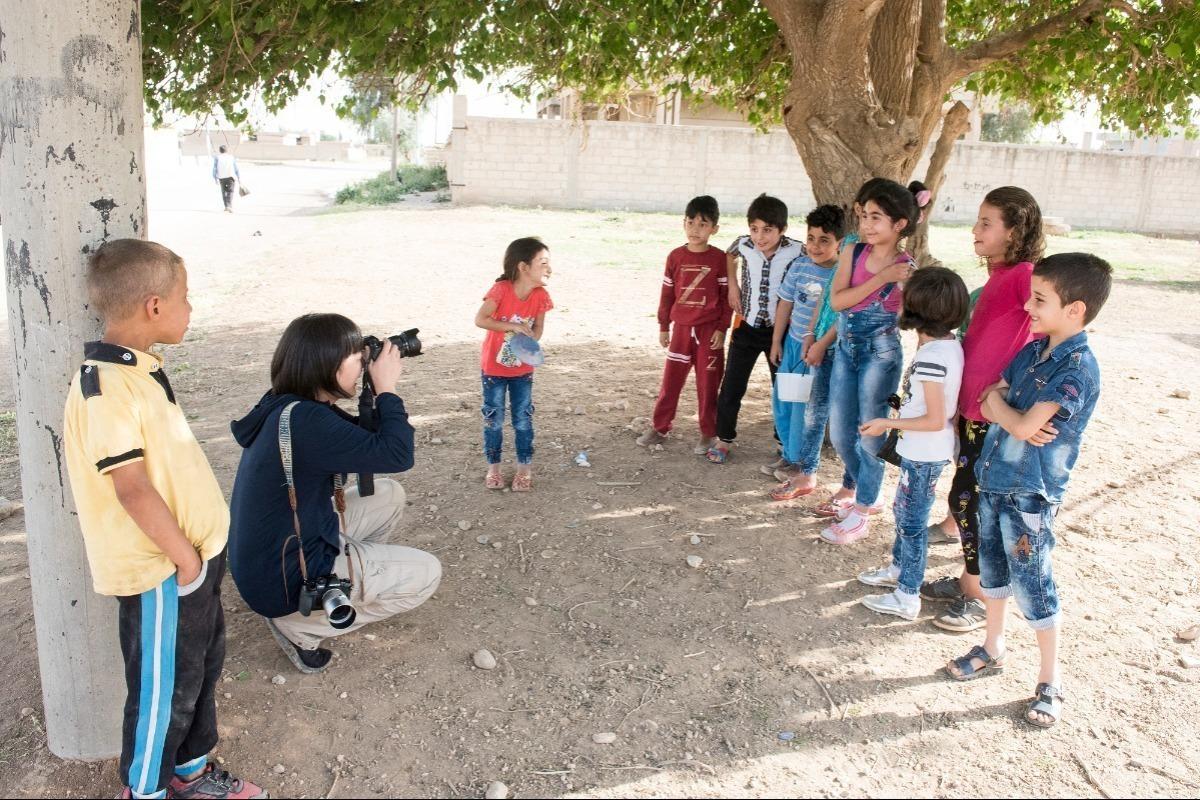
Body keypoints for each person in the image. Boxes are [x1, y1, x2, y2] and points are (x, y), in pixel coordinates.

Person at [62, 239, 263, 799]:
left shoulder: (140, 371)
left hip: (191, 562)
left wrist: (198, 560)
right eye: (185, 297)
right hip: (164, 571)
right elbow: (131, 490)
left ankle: (192, 772)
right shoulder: (102, 390)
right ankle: (144, 791)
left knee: (198, 671)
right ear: (154, 306)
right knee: (160, 691)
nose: (190, 308)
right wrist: (185, 561)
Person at [945, 252, 1112, 730]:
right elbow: (990, 398)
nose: (1029, 308)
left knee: (1034, 582)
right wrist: (1005, 409)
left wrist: (1009, 412)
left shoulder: (1077, 368)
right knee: (995, 569)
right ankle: (993, 645)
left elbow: (1019, 422)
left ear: (1075, 310)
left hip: (1030, 497)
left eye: (1040, 300)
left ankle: (1049, 679)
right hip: (995, 482)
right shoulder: (1032, 350)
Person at [228, 314, 441, 674]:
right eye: (356, 358)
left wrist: (373, 395)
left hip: (266, 559)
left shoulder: (290, 404)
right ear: (326, 364)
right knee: (427, 574)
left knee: (387, 495)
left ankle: (354, 572)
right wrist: (387, 388)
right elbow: (397, 454)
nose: (363, 365)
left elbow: (367, 442)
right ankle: (300, 622)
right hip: (282, 579)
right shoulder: (308, 422)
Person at [921, 187, 1047, 634]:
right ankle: (968, 581)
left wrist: (1010, 384)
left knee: (973, 503)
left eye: (987, 223)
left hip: (994, 416)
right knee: (965, 498)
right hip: (974, 413)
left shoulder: (1023, 275)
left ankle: (978, 595)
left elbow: (1043, 333)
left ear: (1014, 232)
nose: (976, 230)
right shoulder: (999, 275)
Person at [856, 267, 969, 619]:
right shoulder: (947, 345)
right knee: (905, 515)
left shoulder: (934, 358)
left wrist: (886, 422)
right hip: (921, 451)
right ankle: (898, 570)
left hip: (924, 452)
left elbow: (935, 418)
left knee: (912, 523)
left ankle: (907, 595)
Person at [819, 179, 926, 545]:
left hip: (881, 355)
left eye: (876, 217)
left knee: (870, 434)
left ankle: (862, 508)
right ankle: (868, 492)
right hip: (847, 351)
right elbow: (837, 302)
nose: (866, 224)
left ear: (899, 225)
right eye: (863, 215)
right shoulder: (854, 252)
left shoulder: (906, 266)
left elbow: (912, 315)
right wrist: (882, 278)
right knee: (840, 433)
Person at [706, 193, 805, 465]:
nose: (760, 237)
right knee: (732, 386)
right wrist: (733, 285)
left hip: (781, 331)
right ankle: (724, 438)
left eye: (768, 230)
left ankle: (783, 440)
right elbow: (729, 254)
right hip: (747, 327)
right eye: (755, 229)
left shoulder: (797, 250)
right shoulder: (744, 244)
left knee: (784, 387)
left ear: (782, 229)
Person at [638, 196, 731, 453]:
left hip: (709, 332)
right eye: (690, 222)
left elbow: (727, 298)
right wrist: (663, 326)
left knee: (708, 384)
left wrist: (722, 329)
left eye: (703, 224)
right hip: (680, 330)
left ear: (714, 229)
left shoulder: (720, 259)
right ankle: (659, 427)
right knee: (671, 381)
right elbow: (667, 294)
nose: (695, 229)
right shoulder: (675, 256)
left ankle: (708, 433)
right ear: (683, 223)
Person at [767, 204, 845, 500]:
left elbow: (838, 316)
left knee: (805, 408)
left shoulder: (840, 274)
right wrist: (776, 341)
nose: (815, 246)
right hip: (791, 346)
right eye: (811, 238)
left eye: (824, 240)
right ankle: (787, 453)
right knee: (784, 401)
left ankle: (800, 462)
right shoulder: (799, 266)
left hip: (816, 354)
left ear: (839, 242)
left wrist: (818, 346)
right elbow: (785, 303)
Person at [474, 237, 554, 490]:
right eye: (543, 263)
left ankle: (524, 470)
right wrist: (513, 326)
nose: (549, 269)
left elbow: (538, 330)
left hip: (522, 369)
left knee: (523, 420)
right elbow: (481, 319)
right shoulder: (501, 290)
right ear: (523, 267)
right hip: (493, 369)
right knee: (493, 419)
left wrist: (527, 340)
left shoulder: (541, 295)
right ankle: (493, 469)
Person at [212, 145, 241, 213]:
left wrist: (215, 178)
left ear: (220, 151)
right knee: (230, 192)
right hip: (231, 177)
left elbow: (214, 168)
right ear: (227, 150)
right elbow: (236, 168)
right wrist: (239, 177)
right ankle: (229, 206)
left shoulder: (217, 158)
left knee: (224, 192)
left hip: (221, 178)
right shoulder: (231, 157)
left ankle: (226, 206)